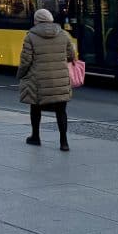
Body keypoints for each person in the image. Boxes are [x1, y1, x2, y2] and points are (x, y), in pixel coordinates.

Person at [17, 8, 75, 151]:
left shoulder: (30, 36)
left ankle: (35, 136)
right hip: (60, 80)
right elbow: (71, 55)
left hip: (38, 80)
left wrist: (20, 74)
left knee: (35, 108)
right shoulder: (64, 34)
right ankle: (64, 142)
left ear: (37, 20)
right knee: (61, 111)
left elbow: (26, 61)